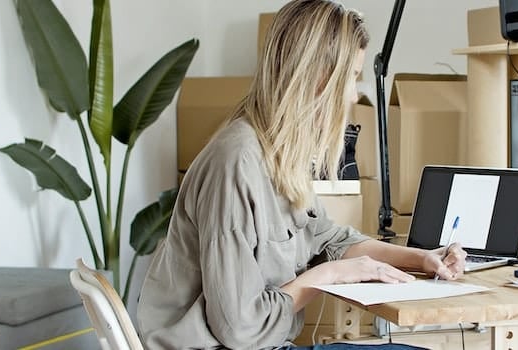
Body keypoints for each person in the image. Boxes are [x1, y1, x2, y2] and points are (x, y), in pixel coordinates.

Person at [137, 1, 466, 349]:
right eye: (352, 78)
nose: (355, 95)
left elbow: (332, 240)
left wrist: (423, 258)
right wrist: (328, 276)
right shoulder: (237, 162)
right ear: (318, 77)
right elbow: (240, 328)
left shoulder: (279, 156)